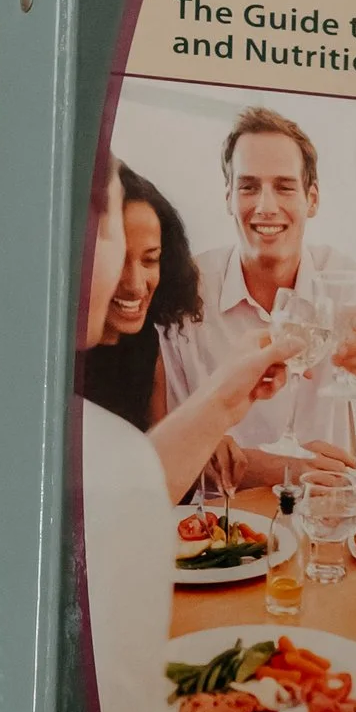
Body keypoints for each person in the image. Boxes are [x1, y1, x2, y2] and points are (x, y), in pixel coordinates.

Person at [163, 103, 356, 487]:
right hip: (222, 531)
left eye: (284, 187)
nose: (266, 207)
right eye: (248, 187)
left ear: (311, 199)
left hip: (329, 518)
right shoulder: (184, 294)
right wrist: (273, 468)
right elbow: (168, 454)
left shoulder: (351, 284)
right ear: (229, 197)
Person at [77, 159, 290, 501]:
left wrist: (205, 443)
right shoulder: (51, 365)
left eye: (150, 260)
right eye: (117, 260)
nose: (134, 285)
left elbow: (153, 463)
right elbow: (106, 500)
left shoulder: (144, 340)